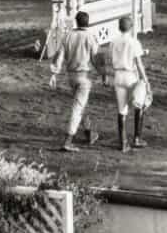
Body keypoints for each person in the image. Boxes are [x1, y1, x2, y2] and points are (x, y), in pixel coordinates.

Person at [49, 11, 102, 151]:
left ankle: (89, 133)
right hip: (84, 77)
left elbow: (59, 57)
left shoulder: (68, 36)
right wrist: (103, 74)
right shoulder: (90, 37)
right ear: (88, 22)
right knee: (78, 108)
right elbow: (96, 59)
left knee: (81, 105)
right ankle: (68, 140)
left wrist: (54, 74)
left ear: (76, 22)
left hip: (71, 77)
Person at [109, 16, 149, 152]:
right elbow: (138, 63)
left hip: (118, 76)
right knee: (139, 104)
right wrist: (146, 81)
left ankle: (123, 142)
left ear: (119, 27)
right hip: (131, 76)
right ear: (131, 27)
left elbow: (112, 59)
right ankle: (137, 138)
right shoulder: (134, 42)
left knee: (121, 110)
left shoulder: (113, 41)